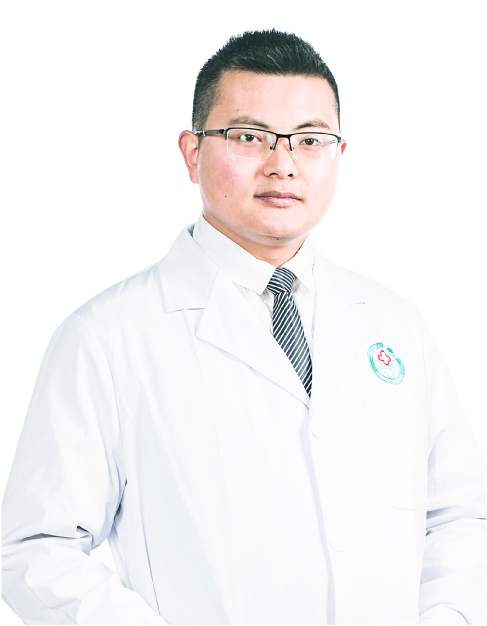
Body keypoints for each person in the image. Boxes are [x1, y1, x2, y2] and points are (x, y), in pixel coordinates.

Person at [2, 29, 485, 626]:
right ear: (192, 153)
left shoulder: (395, 324)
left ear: (339, 154)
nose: (283, 164)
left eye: (310, 140)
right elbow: (37, 548)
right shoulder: (107, 338)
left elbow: (460, 515)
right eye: (249, 137)